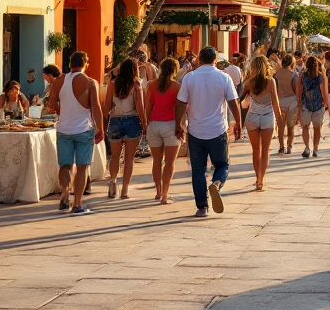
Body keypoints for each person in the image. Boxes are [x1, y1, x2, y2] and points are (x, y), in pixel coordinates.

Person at [176, 46, 242, 218]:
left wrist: (178, 125)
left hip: (196, 130)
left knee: (198, 169)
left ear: (198, 58)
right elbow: (233, 102)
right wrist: (239, 123)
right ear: (216, 60)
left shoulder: (189, 78)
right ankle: (216, 184)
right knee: (222, 165)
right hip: (218, 129)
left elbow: (181, 103)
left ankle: (202, 207)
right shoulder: (224, 77)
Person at [46, 52, 104, 215]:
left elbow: (51, 104)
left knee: (64, 165)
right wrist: (101, 129)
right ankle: (78, 203)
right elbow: (96, 108)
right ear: (86, 64)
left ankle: (65, 192)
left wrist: (62, 107)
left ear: (70, 63)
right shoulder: (90, 83)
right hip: (83, 129)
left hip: (63, 128)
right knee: (82, 166)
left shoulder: (59, 81)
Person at [103, 58, 145, 199]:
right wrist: (144, 124)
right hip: (132, 120)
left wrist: (105, 122)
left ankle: (113, 182)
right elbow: (140, 107)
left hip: (115, 120)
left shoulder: (112, 84)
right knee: (129, 159)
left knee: (115, 156)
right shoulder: (136, 84)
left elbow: (106, 108)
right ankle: (125, 189)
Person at [240, 56, 281, 191]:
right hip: (267, 117)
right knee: (265, 150)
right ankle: (260, 180)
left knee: (255, 150)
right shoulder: (271, 82)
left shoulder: (249, 82)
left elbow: (240, 100)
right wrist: (280, 121)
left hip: (252, 117)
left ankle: (257, 177)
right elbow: (275, 102)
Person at [145, 57, 182, 204]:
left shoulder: (151, 85)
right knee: (169, 161)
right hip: (170, 125)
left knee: (156, 160)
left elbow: (148, 106)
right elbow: (180, 107)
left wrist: (146, 123)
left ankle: (158, 191)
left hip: (154, 125)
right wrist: (181, 126)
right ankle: (165, 195)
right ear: (174, 70)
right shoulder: (177, 87)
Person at [299, 56, 329, 158]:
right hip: (318, 105)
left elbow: (299, 92)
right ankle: (315, 148)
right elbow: (324, 93)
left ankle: (307, 148)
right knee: (317, 127)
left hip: (305, 105)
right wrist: (326, 104)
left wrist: (299, 104)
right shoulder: (321, 76)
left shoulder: (302, 76)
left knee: (305, 127)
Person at [274, 54, 300, 154]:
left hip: (280, 101)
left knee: (280, 126)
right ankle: (289, 146)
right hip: (292, 101)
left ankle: (281, 146)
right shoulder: (294, 74)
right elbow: (297, 91)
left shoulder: (276, 74)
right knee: (291, 126)